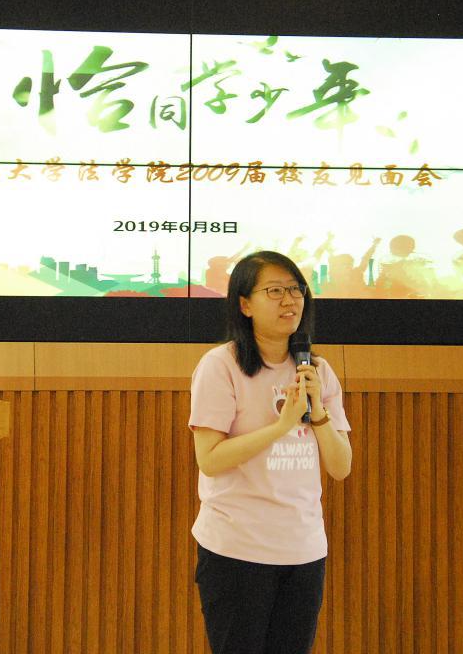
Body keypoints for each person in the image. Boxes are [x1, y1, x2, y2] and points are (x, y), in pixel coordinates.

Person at [188, 250, 353, 654]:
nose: (289, 300)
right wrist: (281, 427)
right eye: (275, 291)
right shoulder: (221, 365)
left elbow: (341, 467)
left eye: (295, 290)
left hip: (304, 549)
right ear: (245, 304)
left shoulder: (317, 371)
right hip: (237, 548)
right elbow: (210, 459)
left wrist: (318, 415)